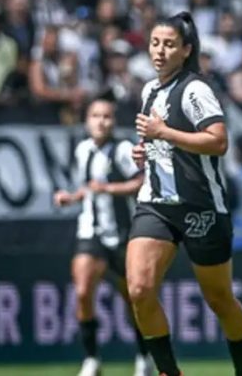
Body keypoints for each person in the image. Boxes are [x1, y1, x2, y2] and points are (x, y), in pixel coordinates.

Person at [128, 11, 242, 376]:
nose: (159, 51)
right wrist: (145, 151)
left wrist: (163, 133)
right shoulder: (148, 90)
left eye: (169, 44)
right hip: (155, 204)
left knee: (219, 299)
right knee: (139, 289)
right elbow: (157, 140)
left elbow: (218, 141)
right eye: (154, 43)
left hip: (201, 207)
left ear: (186, 50)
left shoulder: (196, 89)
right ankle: (170, 372)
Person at [54, 97, 153, 376]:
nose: (101, 121)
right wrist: (72, 198)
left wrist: (109, 189)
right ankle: (92, 359)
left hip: (122, 236)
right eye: (95, 116)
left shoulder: (123, 149)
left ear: (114, 121)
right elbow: (89, 188)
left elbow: (142, 181)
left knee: (134, 300)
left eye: (107, 116)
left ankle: (144, 356)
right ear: (87, 120)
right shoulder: (82, 150)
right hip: (91, 232)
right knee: (83, 291)